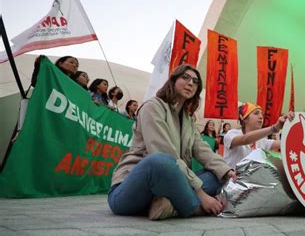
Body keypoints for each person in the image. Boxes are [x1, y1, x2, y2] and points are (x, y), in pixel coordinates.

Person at [108, 64, 236, 220]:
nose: (191, 83)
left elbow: (203, 150)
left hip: (171, 186)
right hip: (128, 191)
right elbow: (164, 152)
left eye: (195, 82)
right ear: (173, 81)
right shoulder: (152, 107)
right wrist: (201, 194)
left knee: (218, 175)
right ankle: (195, 208)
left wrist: (228, 171)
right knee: (160, 161)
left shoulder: (188, 120)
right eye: (185, 77)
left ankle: (170, 206)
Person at [223, 102, 294, 169]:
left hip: (252, 181)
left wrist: (292, 124)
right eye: (256, 113)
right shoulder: (231, 134)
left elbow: (285, 142)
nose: (261, 117)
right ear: (243, 118)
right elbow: (245, 139)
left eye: (261, 114)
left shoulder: (262, 141)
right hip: (232, 181)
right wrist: (274, 128)